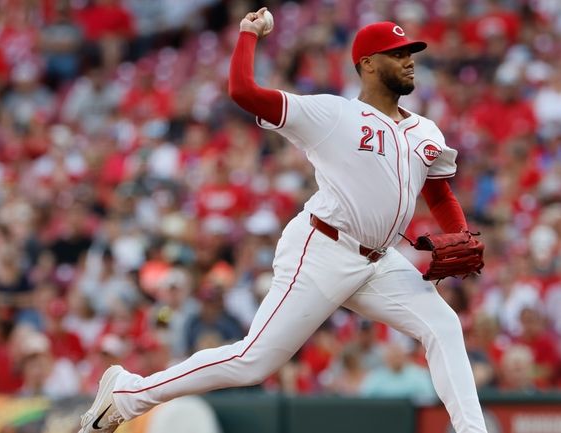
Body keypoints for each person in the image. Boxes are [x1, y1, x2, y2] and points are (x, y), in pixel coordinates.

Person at [78, 8, 488, 433]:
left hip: (379, 262)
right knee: (252, 361)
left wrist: (458, 231)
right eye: (397, 53)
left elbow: (438, 192)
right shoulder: (333, 115)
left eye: (410, 52)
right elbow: (244, 91)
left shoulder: (427, 131)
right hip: (324, 248)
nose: (409, 60)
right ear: (367, 64)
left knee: (443, 324)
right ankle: (129, 393)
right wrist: (248, 34)